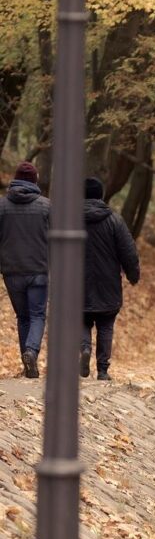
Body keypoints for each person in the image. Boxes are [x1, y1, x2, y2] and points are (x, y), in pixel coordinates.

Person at [79, 177, 140, 381]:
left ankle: (85, 348)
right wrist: (133, 275)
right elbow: (128, 252)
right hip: (108, 283)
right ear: (101, 195)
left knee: (81, 319)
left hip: (77, 282)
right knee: (105, 325)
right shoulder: (115, 220)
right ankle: (103, 370)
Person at [0, 162, 49, 378]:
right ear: (35, 180)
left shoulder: (2, 206)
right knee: (37, 314)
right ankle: (31, 352)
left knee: (23, 316)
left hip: (12, 271)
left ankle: (27, 363)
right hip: (39, 270)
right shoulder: (46, 207)